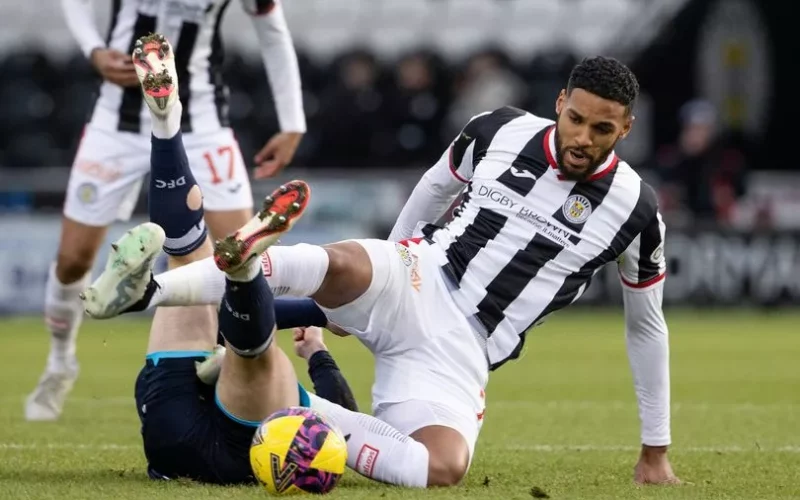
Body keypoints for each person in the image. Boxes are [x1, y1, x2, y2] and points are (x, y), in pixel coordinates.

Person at [86, 54, 680, 487]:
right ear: (561, 103)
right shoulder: (500, 129)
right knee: (341, 263)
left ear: (625, 128)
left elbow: (647, 327)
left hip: (461, 348)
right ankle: (154, 292)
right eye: (576, 119)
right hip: (418, 273)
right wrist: (392, 262)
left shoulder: (638, 211)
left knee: (441, 468)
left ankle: (303, 411)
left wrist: (655, 449)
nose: (583, 138)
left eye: (602, 130)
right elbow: (434, 187)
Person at [79, 36, 356, 484]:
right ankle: (216, 287)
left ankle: (166, 129)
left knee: (191, 264)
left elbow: (338, 424)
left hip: (221, 431)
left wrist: (323, 320)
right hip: (182, 441)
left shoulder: (316, 413)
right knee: (251, 349)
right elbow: (342, 425)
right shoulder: (306, 405)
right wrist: (318, 350)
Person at [28, 0, 307, 421]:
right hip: (115, 121)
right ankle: (60, 361)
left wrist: (292, 121)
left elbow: (272, 28)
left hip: (203, 121)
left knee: (244, 256)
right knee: (72, 261)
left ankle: (243, 378)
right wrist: (94, 50)